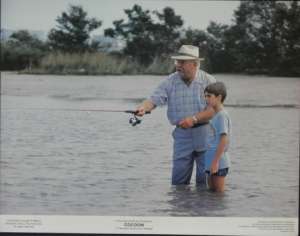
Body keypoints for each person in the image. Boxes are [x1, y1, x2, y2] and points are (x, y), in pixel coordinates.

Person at [136, 45, 216, 185]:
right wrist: (143, 107)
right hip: (182, 135)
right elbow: (153, 100)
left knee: (205, 183)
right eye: (177, 62)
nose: (178, 65)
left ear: (195, 64)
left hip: (206, 134)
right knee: (178, 183)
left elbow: (213, 110)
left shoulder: (209, 81)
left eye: (182, 62)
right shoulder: (170, 81)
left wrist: (193, 119)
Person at [203, 82, 231, 192]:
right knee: (211, 196)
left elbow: (224, 139)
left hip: (218, 162)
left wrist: (215, 162)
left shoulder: (221, 115)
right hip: (211, 160)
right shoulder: (215, 114)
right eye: (205, 96)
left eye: (209, 96)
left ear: (219, 97)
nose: (206, 98)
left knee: (218, 197)